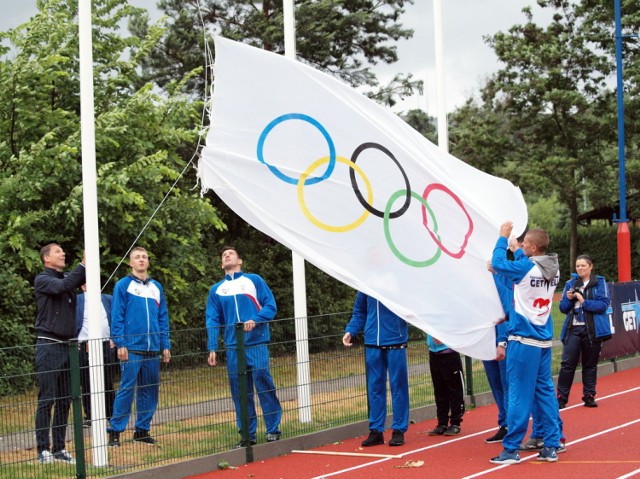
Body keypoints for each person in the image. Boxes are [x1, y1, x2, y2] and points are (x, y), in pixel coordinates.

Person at [489, 222, 562, 464]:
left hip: (523, 340)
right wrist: (518, 250)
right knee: (544, 393)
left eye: (524, 244)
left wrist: (502, 239)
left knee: (518, 395)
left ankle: (511, 449)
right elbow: (526, 267)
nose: (521, 246)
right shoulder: (553, 268)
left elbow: (500, 264)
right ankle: (552, 444)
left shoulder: (524, 267)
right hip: (543, 340)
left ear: (531, 247)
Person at [206, 246, 282, 448]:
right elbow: (212, 320)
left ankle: (273, 429)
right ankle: (247, 435)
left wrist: (255, 320)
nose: (227, 256)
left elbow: (270, 306)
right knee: (241, 392)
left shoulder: (254, 280)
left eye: (231, 253)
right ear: (221, 264)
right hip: (233, 347)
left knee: (264, 386)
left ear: (240, 260)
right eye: (223, 255)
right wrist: (212, 346)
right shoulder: (216, 290)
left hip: (256, 343)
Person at [107, 247, 171, 447]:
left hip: (152, 349)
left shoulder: (156, 287)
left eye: (144, 257)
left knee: (150, 390)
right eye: (137, 257)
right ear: (130, 263)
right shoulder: (123, 285)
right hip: (132, 348)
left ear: (148, 262)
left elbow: (163, 318)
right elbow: (117, 315)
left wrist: (165, 344)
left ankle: (142, 431)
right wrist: (120, 342)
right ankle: (115, 432)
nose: (141, 260)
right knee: (126, 389)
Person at [34, 243, 86, 464]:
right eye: (58, 251)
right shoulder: (43, 279)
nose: (63, 253)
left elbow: (69, 284)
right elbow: (63, 285)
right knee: (47, 399)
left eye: (63, 251)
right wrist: (83, 264)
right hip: (48, 345)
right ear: (46, 259)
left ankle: (59, 448)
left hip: (68, 346)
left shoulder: (66, 281)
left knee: (65, 400)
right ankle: (43, 450)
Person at [342, 293, 410, 447]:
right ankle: (376, 431)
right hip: (372, 343)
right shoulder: (365, 285)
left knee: (398, 387)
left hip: (395, 342)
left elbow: (411, 308)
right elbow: (360, 311)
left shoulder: (396, 284)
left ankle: (398, 430)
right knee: (375, 388)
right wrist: (350, 331)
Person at [556, 254, 611, 409]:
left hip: (592, 330)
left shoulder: (599, 282)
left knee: (590, 364)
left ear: (590, 266)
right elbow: (562, 308)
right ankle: (561, 397)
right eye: (578, 266)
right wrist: (568, 298)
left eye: (583, 266)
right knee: (567, 364)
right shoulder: (570, 283)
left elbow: (602, 305)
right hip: (573, 329)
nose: (580, 268)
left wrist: (582, 300)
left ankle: (589, 396)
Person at [76, 284, 117, 426]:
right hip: (84, 346)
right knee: (86, 381)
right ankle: (90, 416)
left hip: (105, 344)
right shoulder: (78, 300)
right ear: (82, 286)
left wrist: (114, 338)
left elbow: (116, 319)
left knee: (107, 380)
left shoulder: (108, 299)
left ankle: (111, 413)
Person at [426, 335, 465, 436]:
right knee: (439, 390)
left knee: (454, 389)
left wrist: (444, 338)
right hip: (433, 354)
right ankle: (442, 423)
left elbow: (457, 327)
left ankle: (455, 423)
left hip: (449, 354)